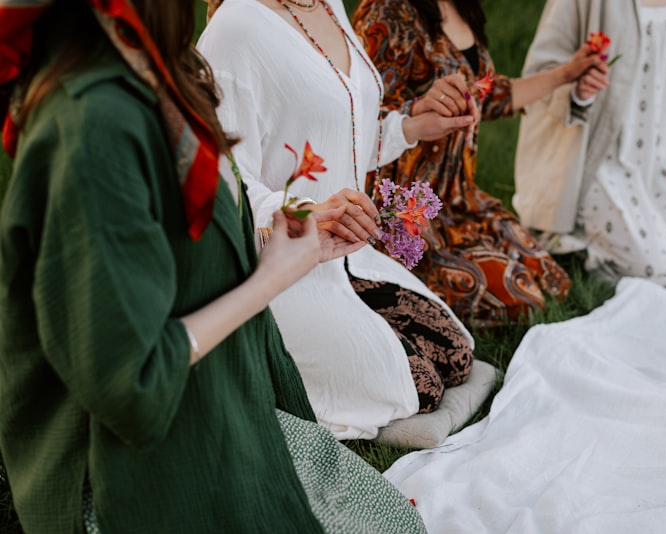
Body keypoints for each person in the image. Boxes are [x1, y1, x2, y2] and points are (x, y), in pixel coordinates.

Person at [0, 0, 426, 532]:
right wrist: (270, 279)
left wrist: (292, 246)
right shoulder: (92, 126)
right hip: (127, 476)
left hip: (216, 398)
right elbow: (129, 385)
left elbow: (204, 239)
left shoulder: (165, 66)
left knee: (394, 521)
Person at [198, 0, 481, 440]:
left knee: (455, 354)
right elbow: (218, 181)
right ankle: (259, 366)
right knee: (418, 385)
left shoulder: (327, 4)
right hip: (279, 271)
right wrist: (302, 214)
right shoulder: (236, 27)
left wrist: (409, 126)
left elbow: (341, 135)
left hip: (348, 258)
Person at [351, 0, 602, 326]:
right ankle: (396, 289)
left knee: (554, 283)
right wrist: (419, 109)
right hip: (411, 212)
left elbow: (489, 95)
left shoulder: (461, 6)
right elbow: (359, 114)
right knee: (523, 301)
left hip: (462, 199)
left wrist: (567, 74)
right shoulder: (387, 12)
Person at [513, 0, 666, 286]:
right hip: (598, 160)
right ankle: (575, 241)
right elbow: (543, 68)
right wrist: (578, 92)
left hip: (661, 159)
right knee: (652, 268)